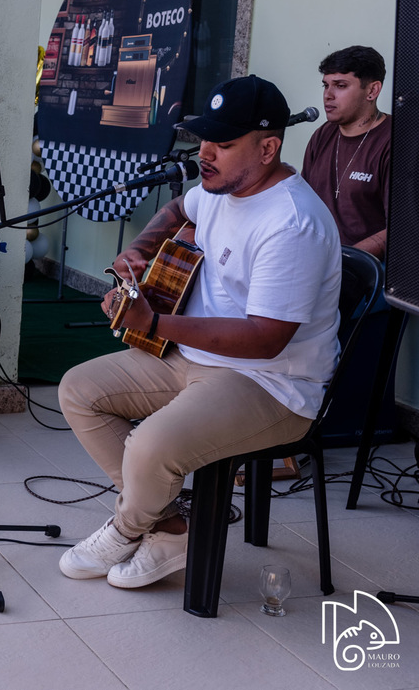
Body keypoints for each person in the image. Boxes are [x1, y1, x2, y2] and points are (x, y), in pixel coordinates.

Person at [57, 75, 342, 589]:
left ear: (268, 148)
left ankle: (126, 528)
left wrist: (154, 322)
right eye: (203, 139)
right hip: (191, 357)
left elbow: (265, 338)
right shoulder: (220, 187)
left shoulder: (292, 223)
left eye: (223, 144)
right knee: (79, 390)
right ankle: (169, 527)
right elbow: (177, 209)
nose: (205, 153)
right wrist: (139, 250)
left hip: (272, 382)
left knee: (150, 445)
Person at [300, 46, 390, 259]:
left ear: (372, 91)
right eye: (326, 85)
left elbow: (402, 226)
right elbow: (305, 206)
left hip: (370, 268)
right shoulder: (322, 135)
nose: (328, 95)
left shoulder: (394, 140)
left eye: (340, 86)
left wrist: (345, 261)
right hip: (320, 261)